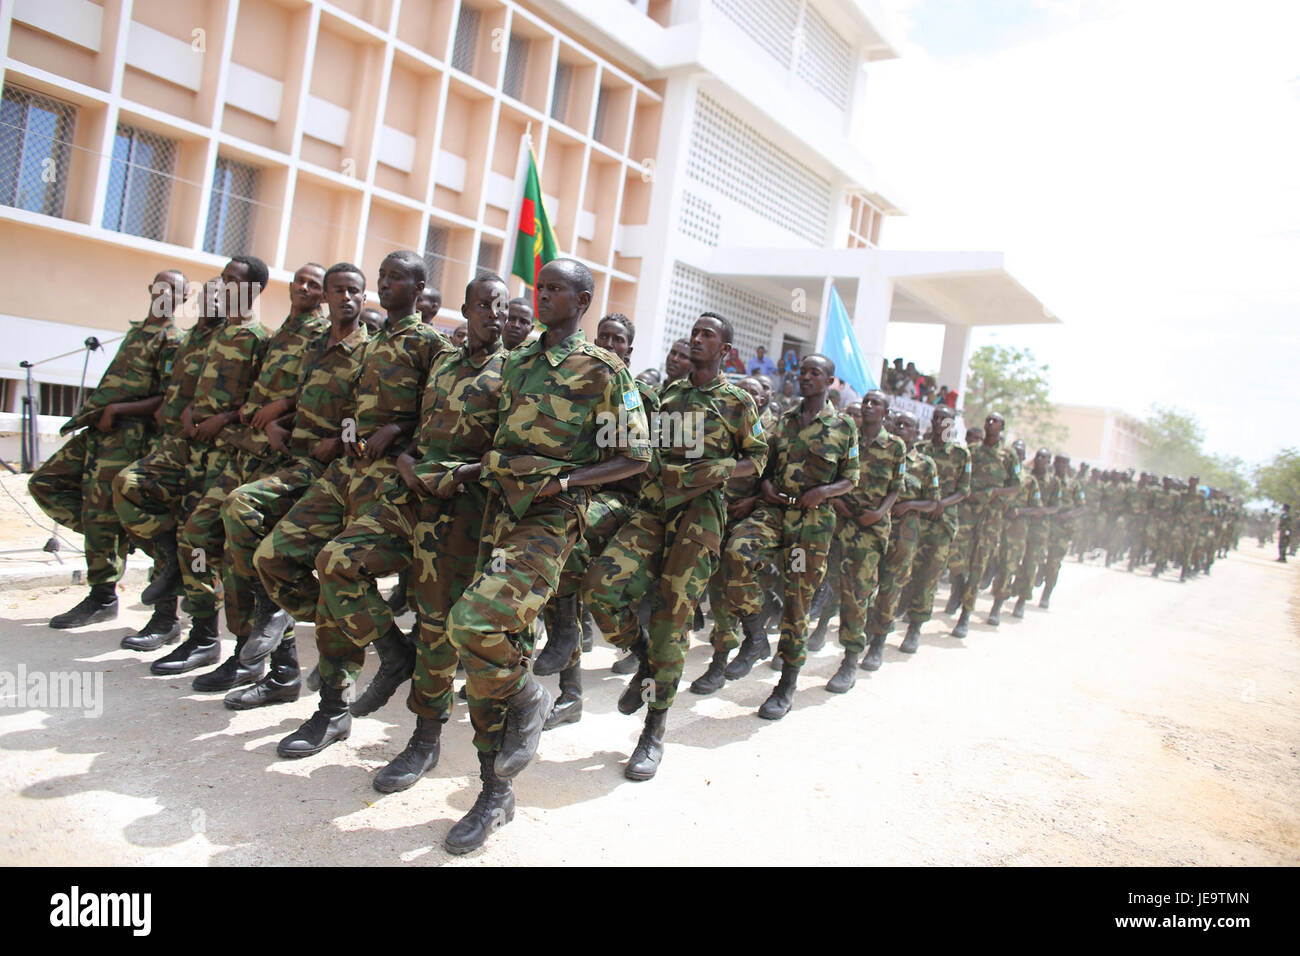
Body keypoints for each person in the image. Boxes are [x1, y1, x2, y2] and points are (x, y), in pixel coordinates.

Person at [442, 257, 650, 852]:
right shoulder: (520, 360)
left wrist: (567, 484)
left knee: (475, 622)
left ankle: (532, 694)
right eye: (542, 287)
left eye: (557, 289)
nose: (544, 296)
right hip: (494, 514)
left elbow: (635, 456)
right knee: (492, 647)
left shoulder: (603, 370)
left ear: (582, 301)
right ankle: (494, 792)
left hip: (549, 521)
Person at [309, 272, 508, 792]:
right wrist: (405, 459)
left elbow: (514, 452)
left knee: (437, 624)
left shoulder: (515, 371)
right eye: (484, 304)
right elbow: (416, 427)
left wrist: (464, 474)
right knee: (336, 561)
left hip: (464, 510)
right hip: (410, 494)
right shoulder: (443, 361)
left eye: (502, 305)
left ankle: (424, 738)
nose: (495, 313)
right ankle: (392, 653)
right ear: (464, 311)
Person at [254, 250, 447, 754]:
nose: (385, 284)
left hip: (389, 483)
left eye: (396, 277)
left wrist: (398, 429)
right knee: (273, 558)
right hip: (346, 471)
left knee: (338, 567)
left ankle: (332, 710)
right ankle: (389, 646)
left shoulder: (431, 344)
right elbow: (347, 411)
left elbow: (446, 413)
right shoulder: (374, 340)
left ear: (420, 286)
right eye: (382, 276)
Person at [585, 311, 766, 778]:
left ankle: (653, 730)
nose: (697, 339)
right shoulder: (671, 395)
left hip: (700, 517)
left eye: (708, 335)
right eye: (695, 333)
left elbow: (757, 458)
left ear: (724, 350)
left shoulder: (737, 401)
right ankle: (643, 656)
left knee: (672, 619)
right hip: (654, 508)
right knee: (601, 588)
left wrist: (717, 470)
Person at [170, 262, 328, 691]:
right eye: (299, 280)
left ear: (324, 295)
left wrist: (282, 412)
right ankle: (220, 640)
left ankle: (273, 665)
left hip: (283, 460)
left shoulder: (321, 336)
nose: (304, 288)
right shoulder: (279, 333)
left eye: (314, 284)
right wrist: (248, 416)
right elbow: (250, 395)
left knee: (255, 562)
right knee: (200, 536)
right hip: (248, 450)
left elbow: (321, 392)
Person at [220, 262, 370, 709]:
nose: (344, 298)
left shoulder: (370, 352)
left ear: (362, 299)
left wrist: (335, 442)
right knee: (242, 528)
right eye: (337, 290)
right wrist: (279, 423)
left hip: (336, 474)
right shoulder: (313, 347)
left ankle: (335, 685)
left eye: (353, 291)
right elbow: (306, 399)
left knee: (277, 545)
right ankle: (281, 664)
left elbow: (375, 418)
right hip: (294, 461)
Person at [114, 256, 273, 676]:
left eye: (234, 281)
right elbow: (184, 389)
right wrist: (185, 414)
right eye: (223, 279)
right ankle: (166, 559)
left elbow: (264, 403)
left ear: (254, 291)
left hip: (225, 453)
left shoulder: (260, 339)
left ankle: (203, 634)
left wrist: (224, 418)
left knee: (199, 541)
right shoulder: (208, 334)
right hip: (186, 445)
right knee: (129, 485)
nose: (224, 286)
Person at [29, 270, 186, 629]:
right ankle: (113, 538)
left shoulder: (173, 340)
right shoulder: (137, 331)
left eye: (175, 290)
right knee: (45, 482)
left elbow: (166, 399)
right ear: (151, 289)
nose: (166, 293)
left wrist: (117, 410)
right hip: (99, 431)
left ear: (183, 298)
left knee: (104, 510)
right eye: (162, 286)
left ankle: (102, 596)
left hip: (127, 436)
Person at [719, 354, 859, 719]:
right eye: (803, 372)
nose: (806, 377)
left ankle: (786, 685)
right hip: (776, 510)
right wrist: (764, 485)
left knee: (798, 600)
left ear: (830, 381)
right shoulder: (784, 420)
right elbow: (765, 461)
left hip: (812, 521)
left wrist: (825, 492)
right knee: (735, 553)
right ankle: (755, 632)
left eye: (816, 373)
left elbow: (852, 478)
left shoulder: (843, 426)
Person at [862, 411, 937, 671]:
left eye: (908, 425)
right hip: (874, 528)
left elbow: (933, 502)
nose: (901, 427)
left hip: (903, 534)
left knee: (890, 588)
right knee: (863, 582)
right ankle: (864, 630)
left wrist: (909, 505)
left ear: (916, 433)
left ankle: (878, 643)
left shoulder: (925, 464)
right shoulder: (882, 452)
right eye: (898, 423)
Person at [950, 414, 1020, 638]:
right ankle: (958, 588)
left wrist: (995, 492)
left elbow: (1015, 486)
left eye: (995, 421)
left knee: (978, 564)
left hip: (991, 517)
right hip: (968, 513)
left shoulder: (1008, 455)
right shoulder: (973, 450)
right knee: (955, 557)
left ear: (1002, 427)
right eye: (987, 420)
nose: (989, 423)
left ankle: (965, 615)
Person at [904, 405, 969, 649]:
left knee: (929, 575)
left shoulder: (961, 455)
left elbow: (964, 490)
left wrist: (942, 503)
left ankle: (915, 627)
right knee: (905, 570)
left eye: (945, 419)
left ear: (952, 424)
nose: (939, 422)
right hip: (916, 520)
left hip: (942, 524)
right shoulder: (920, 450)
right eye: (936, 418)